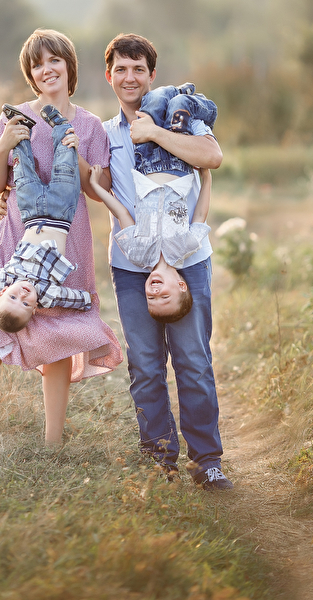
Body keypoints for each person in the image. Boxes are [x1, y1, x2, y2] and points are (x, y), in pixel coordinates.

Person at [0, 29, 122, 448]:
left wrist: (79, 156)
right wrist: (5, 144)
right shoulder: (13, 118)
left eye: (54, 60)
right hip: (15, 238)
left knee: (59, 335)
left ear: (69, 66)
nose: (47, 70)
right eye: (37, 65)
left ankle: (52, 442)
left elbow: (98, 190)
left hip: (67, 242)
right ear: (30, 74)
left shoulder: (89, 125)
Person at [102, 32, 233, 490]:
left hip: (187, 260)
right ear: (109, 75)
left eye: (138, 69)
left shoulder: (182, 116)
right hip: (131, 266)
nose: (130, 77)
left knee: (193, 360)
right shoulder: (105, 133)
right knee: (145, 365)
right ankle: (160, 459)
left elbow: (212, 156)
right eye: (121, 69)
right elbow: (91, 183)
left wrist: (155, 132)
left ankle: (207, 461)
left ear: (152, 74)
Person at [89, 82, 214, 321]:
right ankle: (205, 108)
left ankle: (178, 93)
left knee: (153, 103)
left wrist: (97, 187)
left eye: (151, 299)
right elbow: (200, 215)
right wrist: (206, 177)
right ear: (181, 285)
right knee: (179, 105)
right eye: (164, 297)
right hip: (178, 165)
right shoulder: (186, 248)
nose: (155, 293)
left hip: (146, 164)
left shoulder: (138, 254)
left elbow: (122, 214)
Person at [0, 103, 92, 333]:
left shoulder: (5, 280)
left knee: (22, 171)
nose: (22, 296)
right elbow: (76, 298)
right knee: (66, 165)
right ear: (35, 308)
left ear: (4, 292)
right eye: (25, 304)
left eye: (13, 298)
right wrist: (86, 300)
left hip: (31, 212)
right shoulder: (47, 295)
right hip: (61, 211)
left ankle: (22, 129)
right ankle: (60, 126)